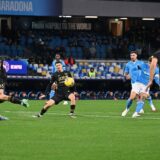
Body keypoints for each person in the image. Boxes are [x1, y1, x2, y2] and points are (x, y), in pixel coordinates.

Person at [122, 51, 156, 117]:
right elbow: (128, 73)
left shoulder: (142, 63)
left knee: (142, 97)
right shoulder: (129, 64)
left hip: (144, 84)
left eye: (133, 55)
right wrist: (127, 76)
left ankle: (136, 112)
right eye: (131, 55)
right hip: (135, 83)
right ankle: (127, 109)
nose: (132, 57)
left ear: (136, 56)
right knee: (132, 97)